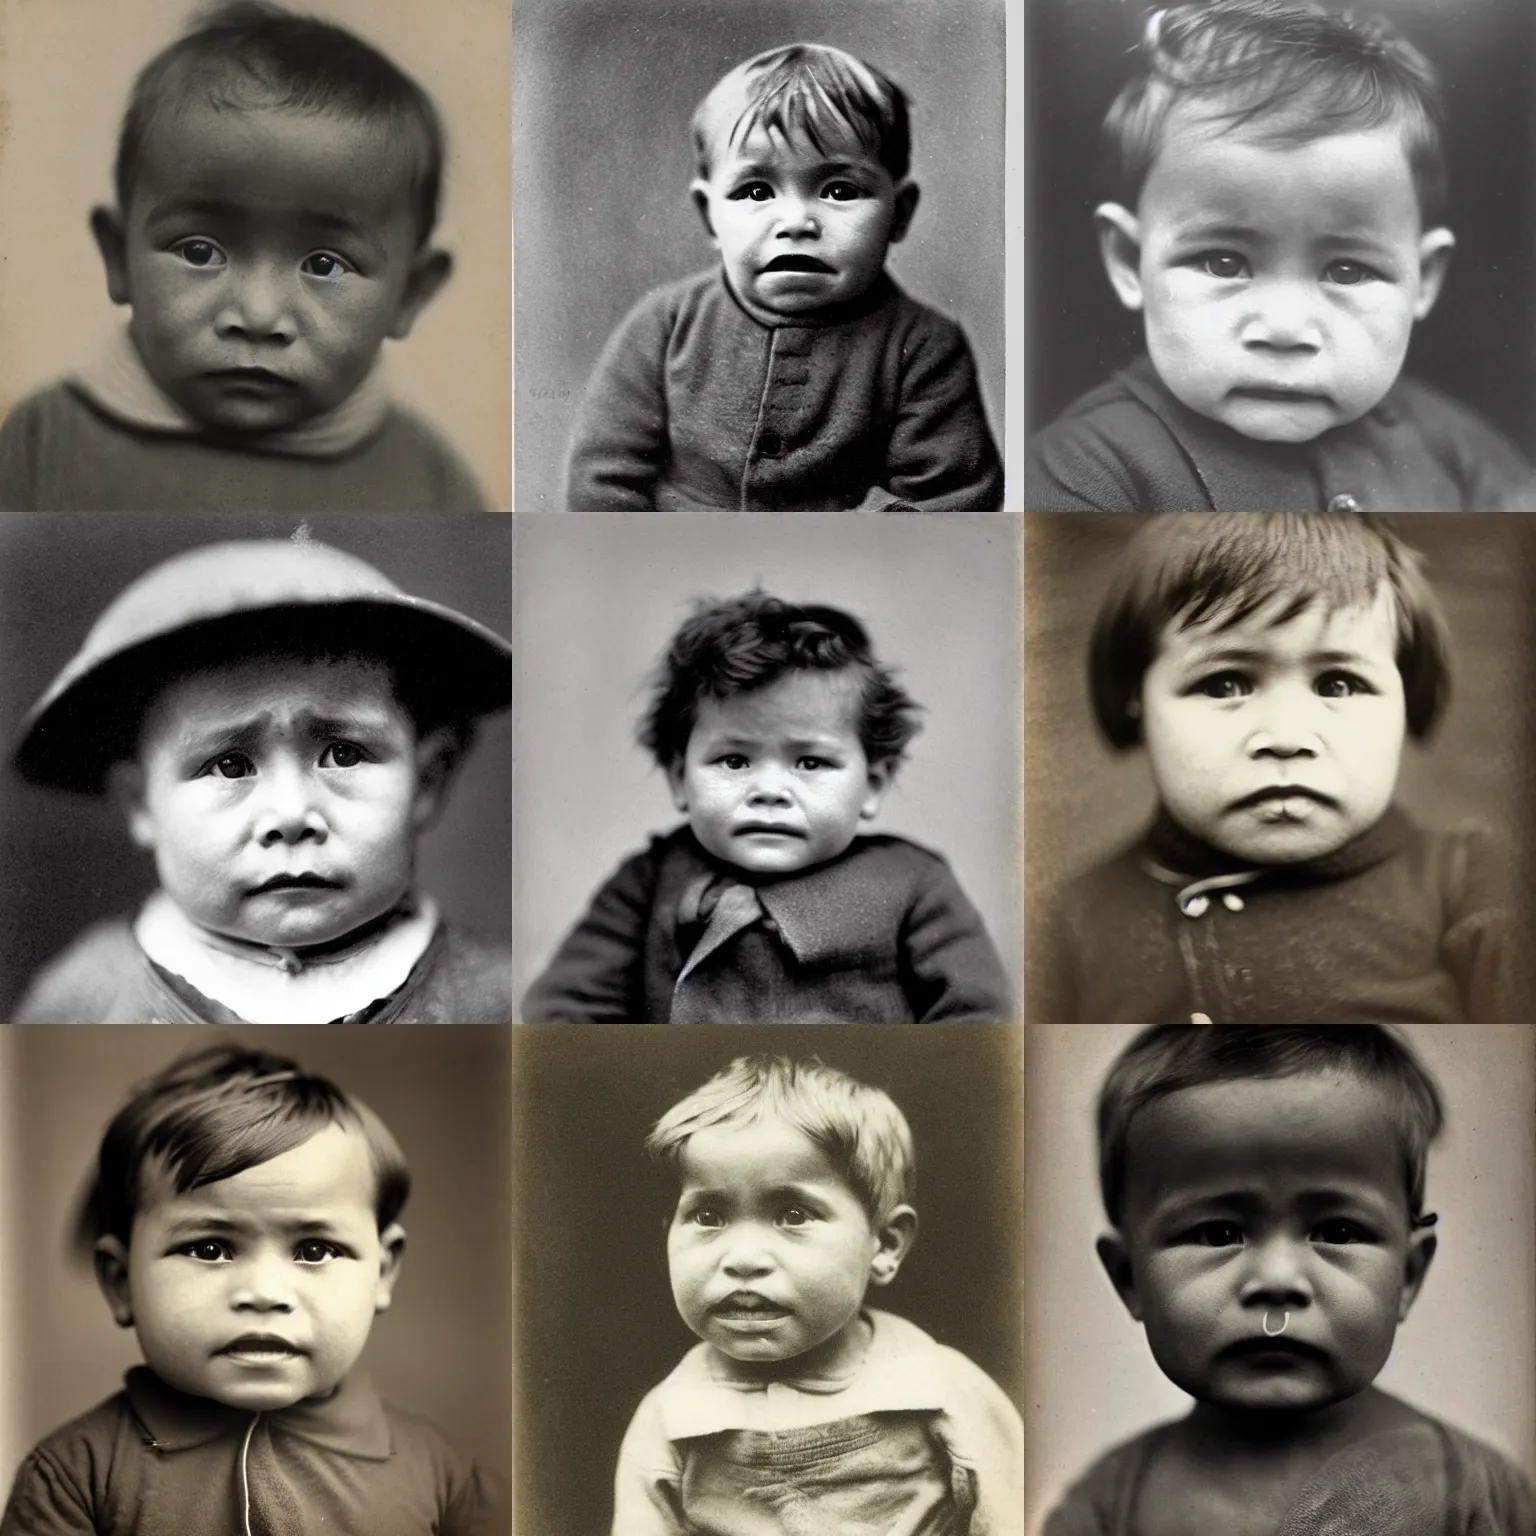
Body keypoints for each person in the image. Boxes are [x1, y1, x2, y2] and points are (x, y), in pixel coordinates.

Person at [1026, 0, 1535, 512]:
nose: (1285, 329)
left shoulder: (1458, 449)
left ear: (1422, 277)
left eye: (1347, 270)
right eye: (1224, 263)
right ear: (1128, 258)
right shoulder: (1085, 470)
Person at [1045, 1024, 1536, 1535]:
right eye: (1217, 1234)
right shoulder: (1106, 1504)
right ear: (1129, 1278)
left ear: (1408, 1275)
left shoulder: (1474, 1490)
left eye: (1338, 1231)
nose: (1277, 1280)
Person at [0, 1042, 501, 1534]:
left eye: (314, 1251)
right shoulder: (72, 1478)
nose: (264, 1293)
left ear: (383, 1272)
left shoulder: (445, 1477)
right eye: (210, 1249)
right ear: (121, 1280)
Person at [0, 1, 483, 512]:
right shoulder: (43, 443)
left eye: (324, 264)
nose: (257, 315)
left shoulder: (429, 478)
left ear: (409, 295)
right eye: (200, 252)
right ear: (117, 258)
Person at [10, 534, 512, 1023]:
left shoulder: (499, 1000)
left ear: (427, 780)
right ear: (141, 805)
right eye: (230, 766)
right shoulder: (85, 1000)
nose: (291, 815)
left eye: (342, 754)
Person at [1034, 513, 1516, 1023]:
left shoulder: (1475, 887)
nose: (1286, 737)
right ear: (1136, 697)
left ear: (1407, 695)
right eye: (1223, 685)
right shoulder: (1068, 924)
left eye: (1338, 685)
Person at [521, 591, 1012, 1022]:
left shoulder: (916, 884)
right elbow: (565, 1010)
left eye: (811, 762)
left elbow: (976, 1018)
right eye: (734, 761)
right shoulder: (649, 880)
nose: (770, 790)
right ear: (678, 778)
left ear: (872, 786)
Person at [565, 43, 1003, 511]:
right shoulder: (665, 325)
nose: (795, 221)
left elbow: (951, 500)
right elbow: (602, 483)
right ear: (709, 216)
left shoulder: (923, 346)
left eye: (840, 189)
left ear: (900, 213)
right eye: (755, 190)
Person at [613, 1054, 1023, 1534]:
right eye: (708, 1216)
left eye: (793, 1215)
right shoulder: (672, 1415)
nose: (743, 1258)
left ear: (885, 1244)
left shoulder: (936, 1385)